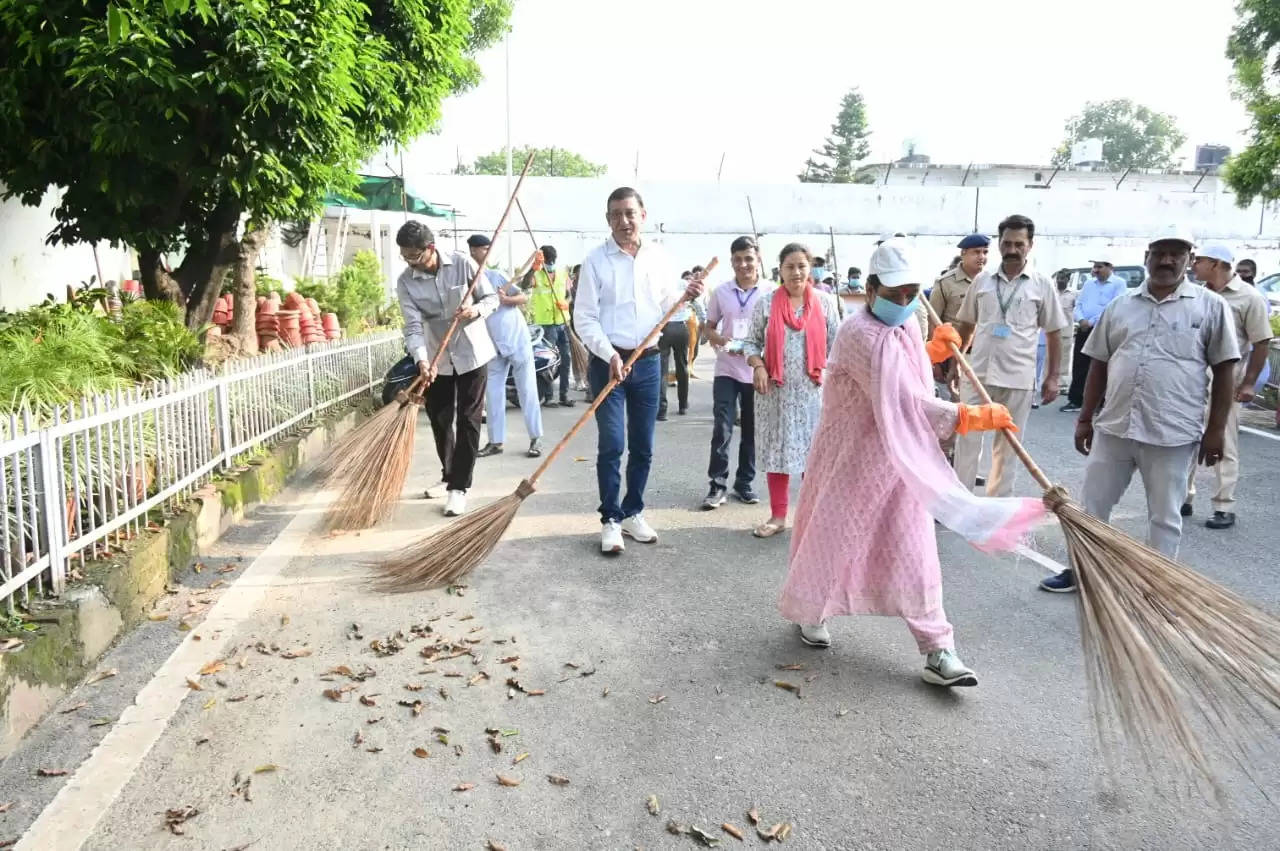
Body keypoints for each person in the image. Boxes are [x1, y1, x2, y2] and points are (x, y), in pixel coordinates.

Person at [779, 238, 1041, 687]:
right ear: (873, 287)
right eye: (895, 293)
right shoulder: (858, 333)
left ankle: (939, 649)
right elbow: (902, 398)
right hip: (853, 457)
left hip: (902, 462)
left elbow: (907, 364)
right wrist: (965, 415)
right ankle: (812, 611)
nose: (904, 301)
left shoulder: (900, 326)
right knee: (831, 538)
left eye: (911, 292)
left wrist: (931, 351)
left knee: (915, 550)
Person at [1041, 232, 1240, 593]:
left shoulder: (1210, 307)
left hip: (1173, 433)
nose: (1167, 261)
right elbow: (1098, 364)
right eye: (1160, 253)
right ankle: (1083, 571)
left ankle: (1156, 587)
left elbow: (1225, 370)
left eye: (1176, 254)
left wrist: (1216, 431)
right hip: (1115, 426)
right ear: (1147, 256)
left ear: (1188, 259)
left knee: (1164, 517)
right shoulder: (1121, 305)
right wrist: (1086, 418)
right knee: (1093, 506)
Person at [575, 187, 705, 554]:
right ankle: (610, 520)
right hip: (608, 364)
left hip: (648, 361)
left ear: (643, 215)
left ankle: (633, 512)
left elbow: (667, 305)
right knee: (613, 444)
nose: (624, 221)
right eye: (616, 214)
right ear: (608, 220)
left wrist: (686, 296)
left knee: (643, 446)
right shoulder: (595, 261)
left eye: (630, 213)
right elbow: (583, 317)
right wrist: (608, 353)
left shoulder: (658, 257)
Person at [953, 214, 1067, 497]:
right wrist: (959, 362)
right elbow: (966, 323)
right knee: (967, 438)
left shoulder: (1042, 285)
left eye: (1019, 244)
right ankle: (960, 499)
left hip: (1018, 377)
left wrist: (1053, 377)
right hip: (978, 374)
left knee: (1009, 444)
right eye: (1007, 243)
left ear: (1030, 245)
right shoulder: (982, 281)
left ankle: (997, 502)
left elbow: (1054, 333)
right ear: (999, 244)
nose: (1012, 250)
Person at [395, 221, 498, 518]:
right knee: (441, 420)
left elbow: (491, 299)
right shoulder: (406, 282)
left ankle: (459, 488)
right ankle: (449, 473)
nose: (410, 262)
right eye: (405, 256)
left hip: (472, 353)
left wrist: (474, 310)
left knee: (469, 419)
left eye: (414, 256)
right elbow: (413, 326)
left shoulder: (463, 264)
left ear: (430, 249)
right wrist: (422, 360)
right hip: (436, 357)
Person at [741, 243, 840, 538]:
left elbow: (838, 346)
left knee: (813, 456)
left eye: (801, 266)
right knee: (779, 454)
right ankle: (778, 516)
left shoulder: (824, 303)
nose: (796, 272)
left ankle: (811, 516)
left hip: (814, 394)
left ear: (809, 269)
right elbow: (750, 343)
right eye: (790, 267)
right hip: (775, 394)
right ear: (780, 270)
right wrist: (758, 366)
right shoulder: (766, 303)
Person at [1184, 242, 1272, 529]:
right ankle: (1183, 496)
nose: (1194, 265)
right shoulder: (1196, 294)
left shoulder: (1249, 298)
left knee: (1223, 440)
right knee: (1184, 437)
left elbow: (1261, 342)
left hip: (1226, 380)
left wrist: (1249, 383)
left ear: (1218, 264)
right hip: (1191, 377)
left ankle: (1224, 505)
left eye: (1201, 260)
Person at [701, 236, 770, 509]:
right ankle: (717, 486)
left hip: (756, 370)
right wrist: (722, 342)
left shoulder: (771, 291)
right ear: (731, 262)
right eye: (738, 260)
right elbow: (708, 328)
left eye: (749, 258)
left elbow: (776, 330)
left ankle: (744, 483)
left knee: (753, 430)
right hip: (727, 369)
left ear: (758, 259)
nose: (744, 265)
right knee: (723, 428)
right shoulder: (720, 292)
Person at [468, 234, 543, 460]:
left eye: (483, 250)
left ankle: (536, 439)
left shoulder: (496, 277)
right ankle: (495, 442)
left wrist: (504, 300)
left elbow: (522, 298)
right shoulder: (468, 285)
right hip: (492, 345)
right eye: (477, 250)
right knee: (492, 394)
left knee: (527, 390)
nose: (479, 254)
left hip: (516, 340)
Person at [1061, 257, 1124, 413]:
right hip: (1084, 328)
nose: (1095, 270)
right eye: (1095, 267)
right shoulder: (1089, 284)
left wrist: (1093, 321)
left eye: (1099, 267)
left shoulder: (1119, 284)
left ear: (1110, 267)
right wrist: (1081, 319)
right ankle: (1076, 399)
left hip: (1104, 330)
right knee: (1080, 363)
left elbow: (1114, 306)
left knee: (1101, 365)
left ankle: (1100, 402)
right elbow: (1079, 304)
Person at [523, 244, 575, 408]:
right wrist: (533, 268)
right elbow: (524, 285)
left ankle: (564, 395)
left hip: (562, 322)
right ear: (542, 259)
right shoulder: (537, 274)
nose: (551, 263)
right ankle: (549, 396)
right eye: (548, 260)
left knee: (566, 359)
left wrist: (566, 303)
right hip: (545, 325)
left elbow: (569, 296)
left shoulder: (562, 273)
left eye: (553, 260)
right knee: (549, 362)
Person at [658, 270, 706, 419]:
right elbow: (697, 306)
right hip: (681, 328)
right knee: (682, 365)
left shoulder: (660, 284)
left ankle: (662, 409)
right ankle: (683, 405)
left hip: (664, 327)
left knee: (662, 370)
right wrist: (703, 322)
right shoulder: (686, 285)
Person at [1054, 269, 1077, 386]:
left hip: (1066, 332)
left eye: (1062, 278)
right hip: (1051, 331)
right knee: (1050, 358)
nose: (1059, 281)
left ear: (1068, 280)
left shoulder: (1073, 294)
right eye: (1058, 278)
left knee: (1064, 359)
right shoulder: (1052, 292)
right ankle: (1049, 382)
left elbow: (1077, 311)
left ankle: (1062, 384)